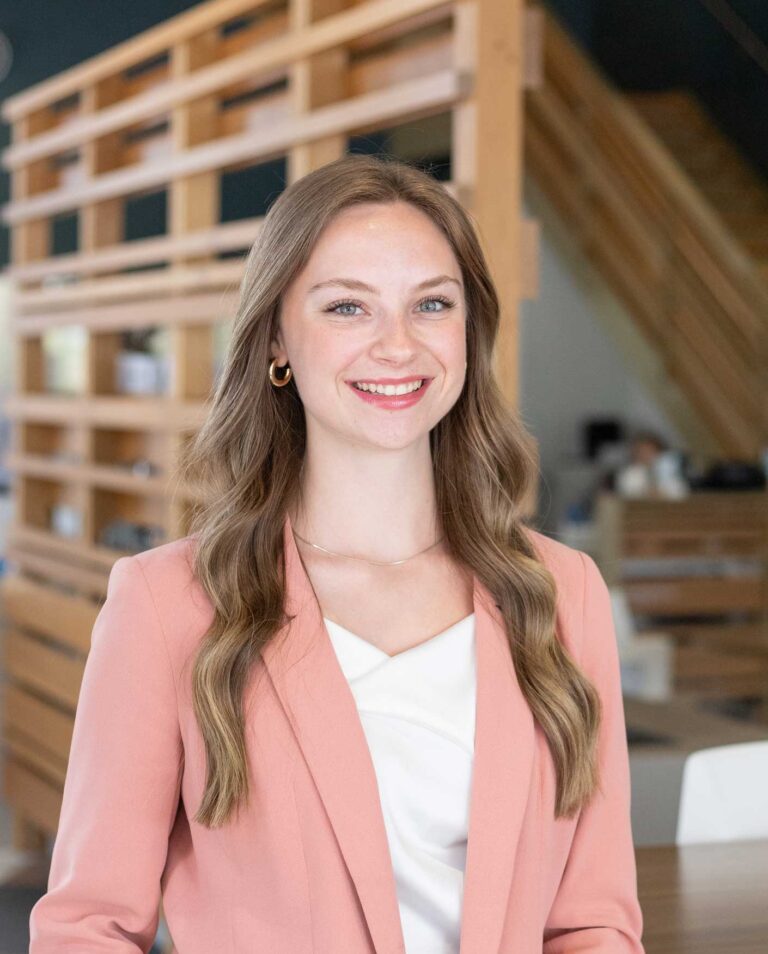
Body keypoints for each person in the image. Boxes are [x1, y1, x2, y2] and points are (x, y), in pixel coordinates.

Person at [29, 154, 645, 953]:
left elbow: (593, 923)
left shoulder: (564, 593)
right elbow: (89, 928)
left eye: (431, 303)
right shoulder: (166, 604)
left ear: (467, 331)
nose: (397, 345)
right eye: (348, 308)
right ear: (279, 338)